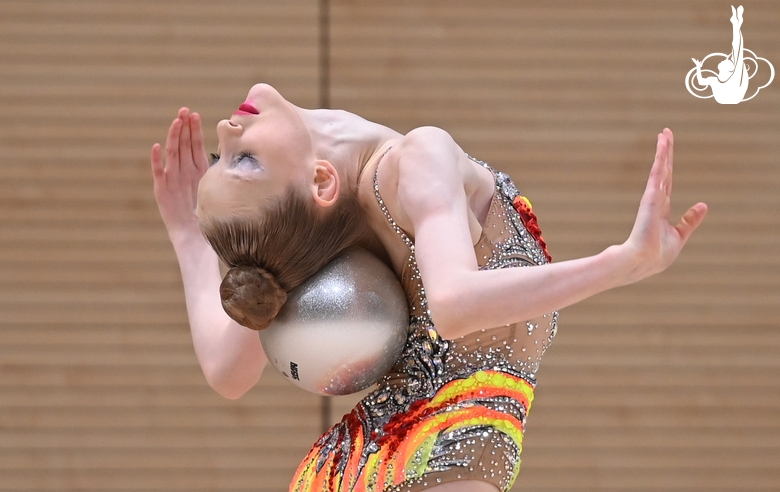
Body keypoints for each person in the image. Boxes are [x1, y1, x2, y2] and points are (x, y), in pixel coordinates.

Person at [151, 83, 708, 492]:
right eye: (243, 160)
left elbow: (227, 372)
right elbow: (455, 304)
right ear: (320, 181)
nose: (226, 130)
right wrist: (622, 261)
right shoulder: (413, 163)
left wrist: (190, 231)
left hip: (389, 447)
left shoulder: (314, 185)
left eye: (225, 159)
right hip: (451, 450)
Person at [692, 5, 748, 104]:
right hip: (729, 97)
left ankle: (736, 23)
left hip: (732, 96)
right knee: (737, 51)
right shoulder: (715, 80)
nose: (724, 59)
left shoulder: (733, 77)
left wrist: (736, 25)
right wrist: (698, 67)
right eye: (728, 60)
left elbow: (737, 49)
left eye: (727, 61)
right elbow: (701, 82)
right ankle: (736, 23)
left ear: (729, 69)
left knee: (737, 51)